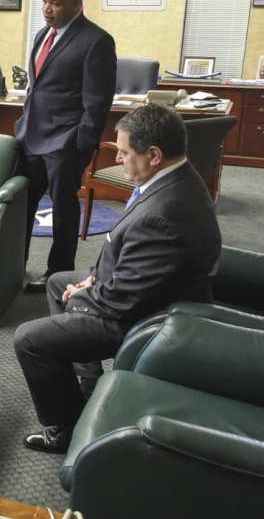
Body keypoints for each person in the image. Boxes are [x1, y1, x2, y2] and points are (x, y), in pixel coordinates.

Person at [13, 104, 221, 454]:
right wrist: (91, 279)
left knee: (30, 339)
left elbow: (123, 300)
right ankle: (90, 383)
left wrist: (83, 295)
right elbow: (127, 257)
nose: (119, 159)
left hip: (148, 319)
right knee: (58, 281)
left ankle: (66, 427)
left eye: (124, 152)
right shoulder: (178, 178)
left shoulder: (164, 214)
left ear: (153, 155)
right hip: (143, 289)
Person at [15, 0, 117, 292]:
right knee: (21, 205)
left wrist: (81, 145)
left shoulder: (97, 41)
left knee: (63, 209)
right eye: (44, 2)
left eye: (55, 3)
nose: (47, 9)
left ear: (76, 3)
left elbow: (97, 103)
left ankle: (57, 273)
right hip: (31, 137)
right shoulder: (43, 34)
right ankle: (13, 265)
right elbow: (38, 87)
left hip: (65, 143)